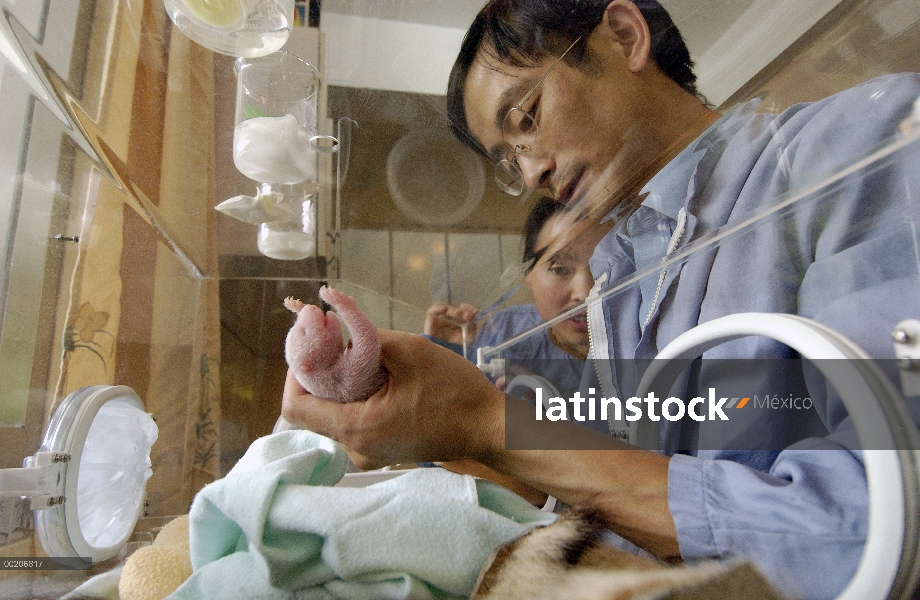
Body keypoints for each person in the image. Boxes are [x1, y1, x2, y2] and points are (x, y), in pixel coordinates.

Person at [282, 1, 920, 598]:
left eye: (524, 118)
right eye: (509, 163)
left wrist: (488, 426)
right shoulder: (621, 276)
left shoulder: (850, 146)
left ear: (624, 35)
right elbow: (635, 475)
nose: (531, 172)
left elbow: (864, 532)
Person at [423, 196, 610, 398]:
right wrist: (449, 354)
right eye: (560, 269)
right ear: (528, 275)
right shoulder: (506, 333)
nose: (584, 292)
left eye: (604, 269)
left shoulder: (642, 336)